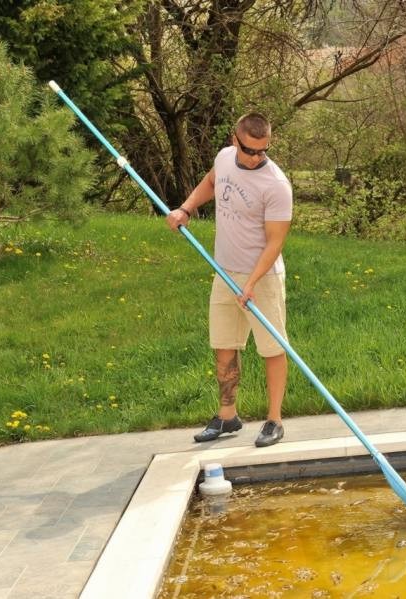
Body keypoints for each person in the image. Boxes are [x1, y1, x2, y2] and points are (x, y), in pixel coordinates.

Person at [165, 113, 292, 448]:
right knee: (224, 346)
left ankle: (274, 420)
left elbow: (275, 242)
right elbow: (211, 182)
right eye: (249, 150)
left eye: (262, 151)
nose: (255, 157)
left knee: (272, 348)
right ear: (235, 140)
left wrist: (250, 283)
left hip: (261, 278)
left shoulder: (276, 184)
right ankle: (227, 416)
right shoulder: (224, 158)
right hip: (224, 271)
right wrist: (186, 210)